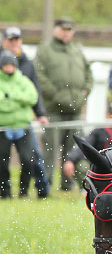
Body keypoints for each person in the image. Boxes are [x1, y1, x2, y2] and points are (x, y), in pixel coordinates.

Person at [35, 16, 92, 191]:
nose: (66, 33)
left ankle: (67, 184)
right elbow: (40, 77)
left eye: (69, 30)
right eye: (63, 29)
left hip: (74, 110)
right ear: (55, 29)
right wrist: (57, 96)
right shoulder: (45, 51)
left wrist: (83, 94)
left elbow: (89, 77)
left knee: (73, 149)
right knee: (50, 150)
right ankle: (47, 184)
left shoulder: (77, 51)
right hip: (53, 110)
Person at [3, 26, 50, 196]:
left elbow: (33, 91)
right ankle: (5, 193)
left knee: (32, 158)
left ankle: (42, 191)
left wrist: (41, 113)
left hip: (23, 120)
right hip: (3, 121)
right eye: (11, 40)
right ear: (4, 41)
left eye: (17, 40)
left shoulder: (26, 62)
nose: (14, 43)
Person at [63, 101, 112, 182]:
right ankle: (91, 189)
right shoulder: (99, 131)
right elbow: (85, 145)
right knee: (81, 166)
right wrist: (70, 160)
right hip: (103, 165)